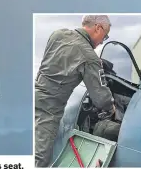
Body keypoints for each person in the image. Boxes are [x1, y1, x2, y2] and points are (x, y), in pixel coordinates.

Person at [34, 15, 116, 167]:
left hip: (34, 97)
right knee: (39, 159)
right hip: (49, 111)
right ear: (98, 28)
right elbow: (100, 98)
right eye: (104, 37)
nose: (101, 43)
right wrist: (111, 108)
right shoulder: (89, 57)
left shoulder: (57, 34)